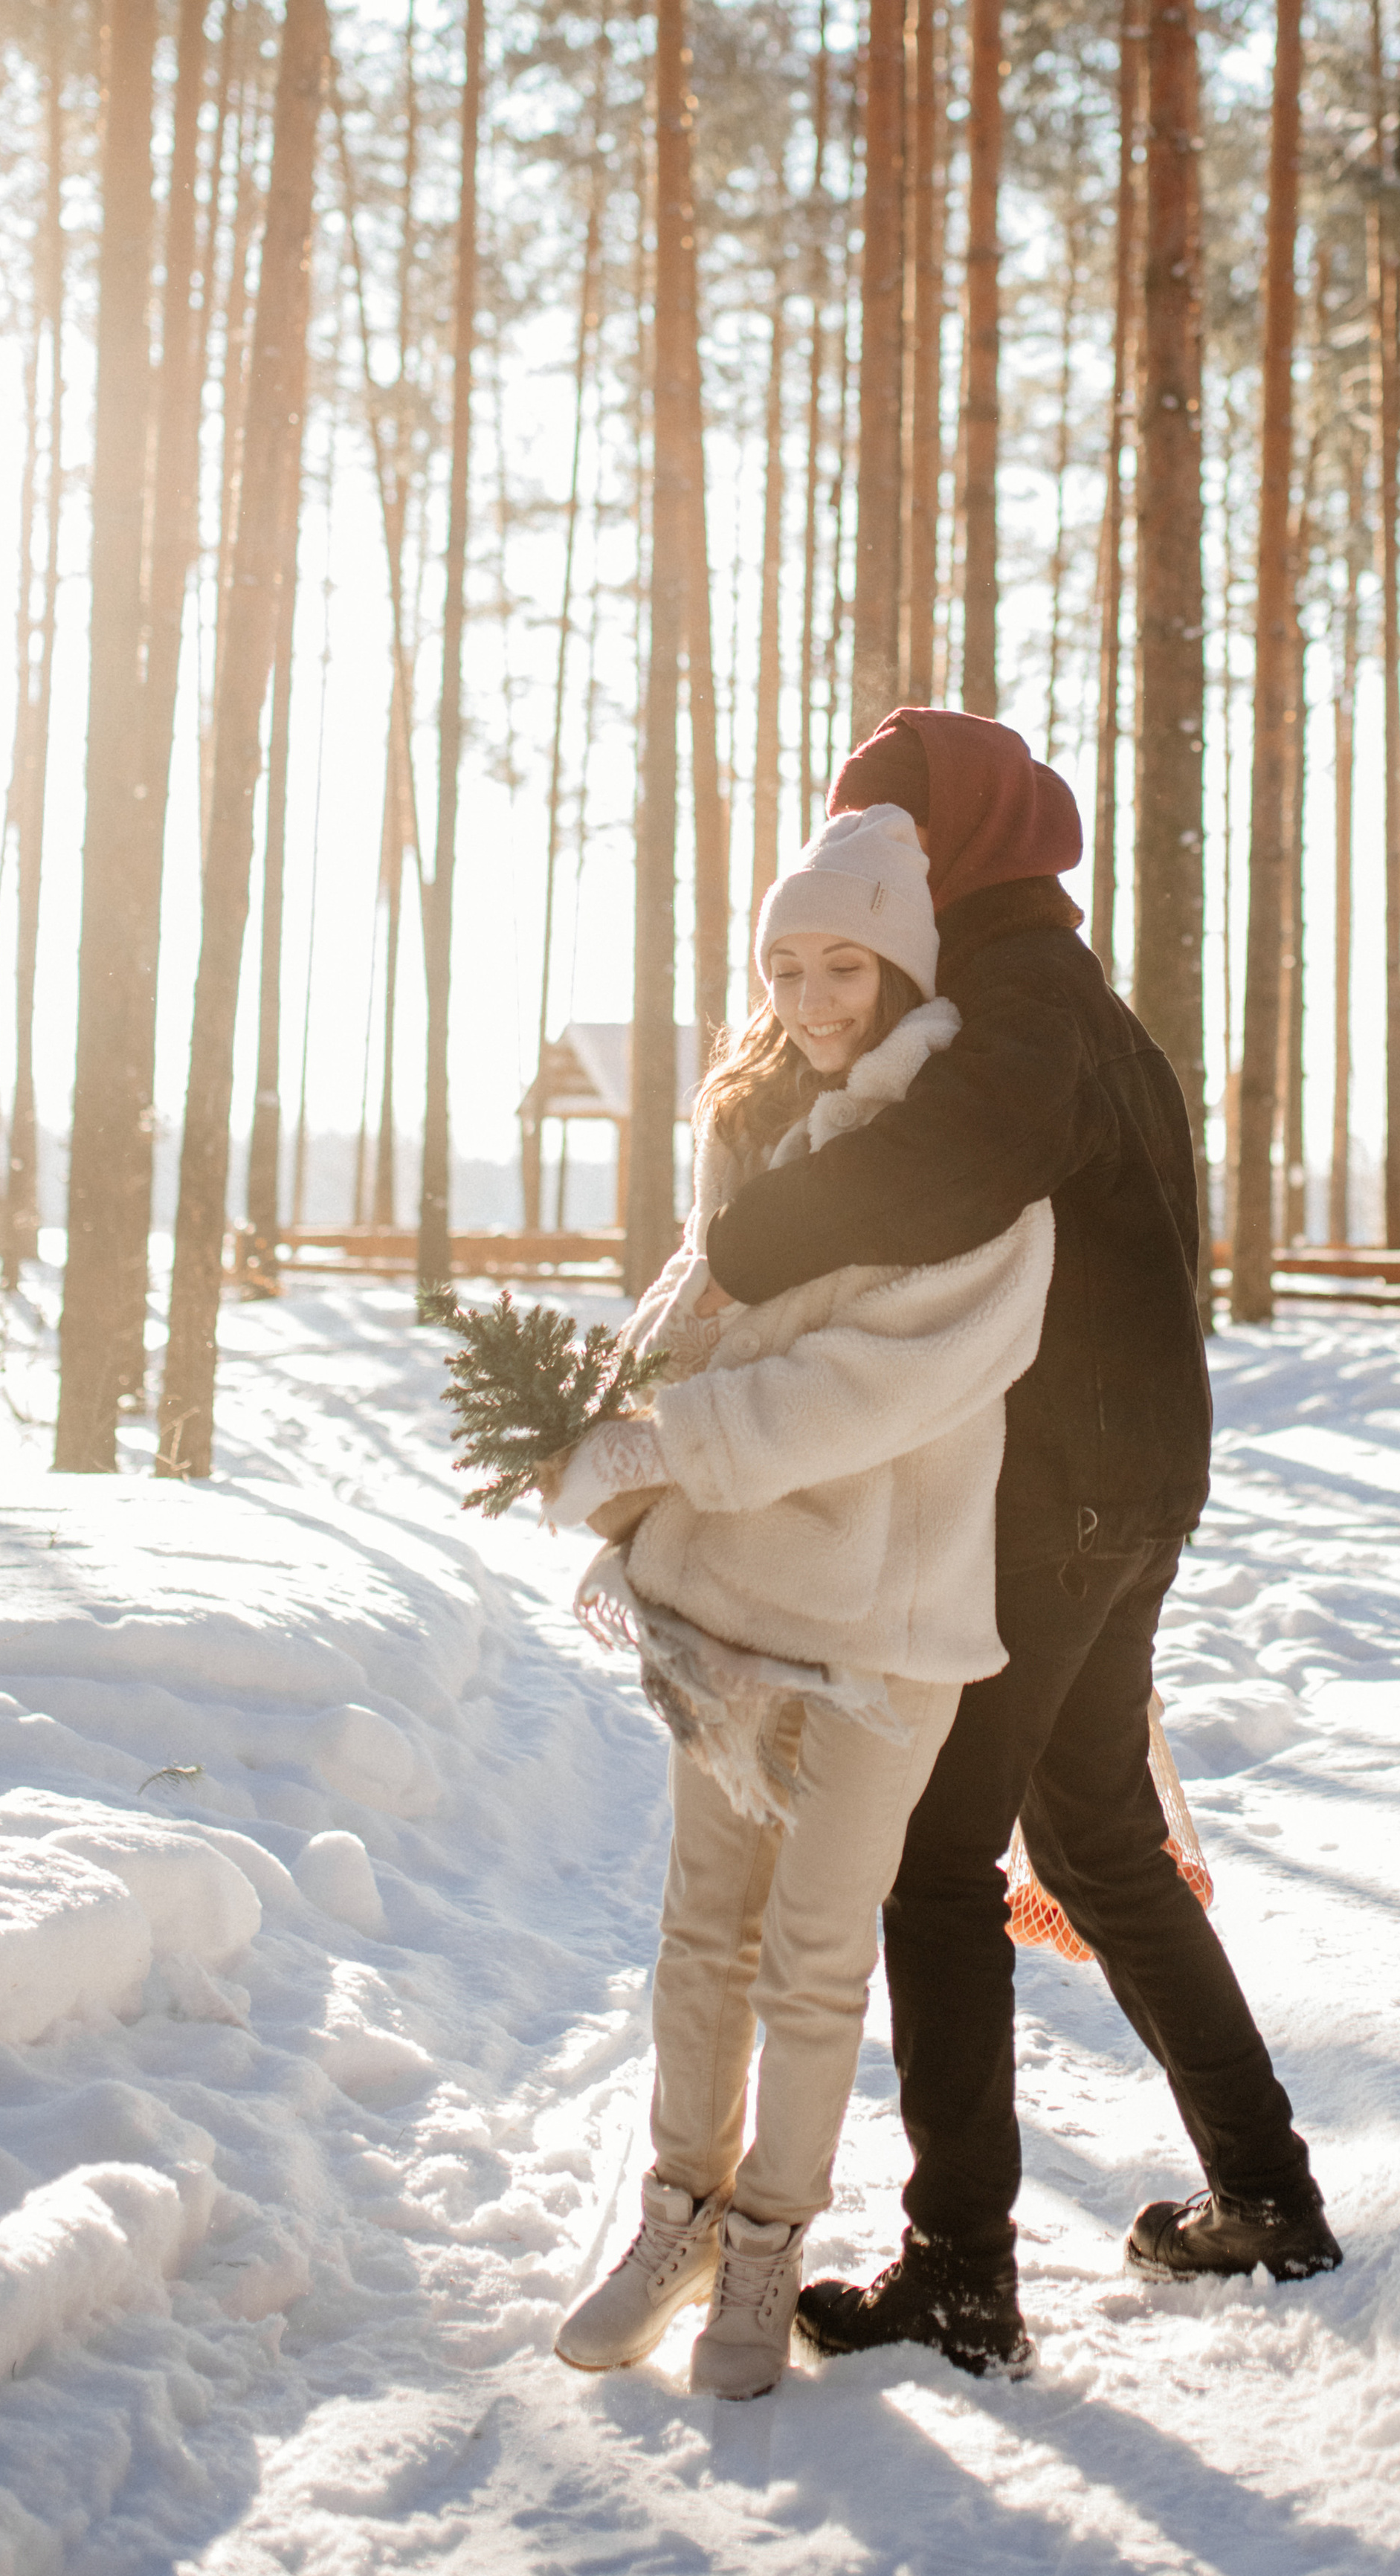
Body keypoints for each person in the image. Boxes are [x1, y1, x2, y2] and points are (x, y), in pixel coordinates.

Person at [690, 708, 1341, 2379]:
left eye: (891, 834)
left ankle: (961, 2274)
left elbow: (946, 1168)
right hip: (1126, 1481)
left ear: (958, 838)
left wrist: (747, 1246)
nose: (870, 863)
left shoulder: (1023, 1002)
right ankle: (1265, 2193)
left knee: (933, 1862)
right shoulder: (1064, 996)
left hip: (1059, 1495)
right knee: (1100, 1843)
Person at [545, 803, 1057, 2400]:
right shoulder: (750, 1117)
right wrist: (601, 1418)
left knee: (817, 1954)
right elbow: (696, 1303)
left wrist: (674, 1439)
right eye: (784, 967)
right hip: (727, 1603)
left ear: (900, 964)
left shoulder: (967, 1143)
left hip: (882, 1628)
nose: (812, 997)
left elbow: (882, 1381)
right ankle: (678, 2218)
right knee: (701, 1934)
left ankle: (769, 2239)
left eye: (844, 964)